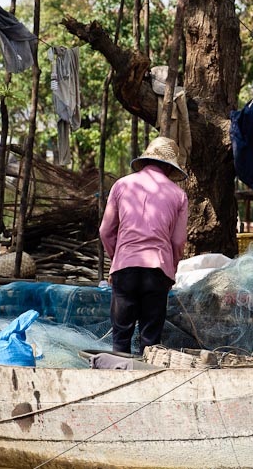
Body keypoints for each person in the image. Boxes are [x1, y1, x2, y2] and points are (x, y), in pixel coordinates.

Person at [99, 136, 188, 354]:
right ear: (169, 167)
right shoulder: (179, 194)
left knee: (120, 339)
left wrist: (117, 261)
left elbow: (105, 231)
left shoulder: (121, 185)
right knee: (150, 343)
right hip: (158, 271)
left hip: (125, 269)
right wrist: (171, 271)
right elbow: (178, 241)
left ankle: (116, 380)